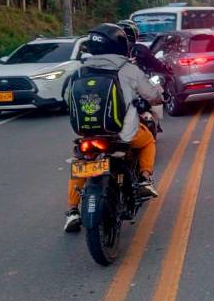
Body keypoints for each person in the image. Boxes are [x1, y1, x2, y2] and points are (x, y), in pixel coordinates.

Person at [65, 23, 163, 233]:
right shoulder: (127, 69)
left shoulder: (79, 71)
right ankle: (145, 179)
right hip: (122, 133)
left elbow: (67, 99)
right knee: (148, 142)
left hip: (87, 133)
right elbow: (152, 95)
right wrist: (157, 98)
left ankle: (72, 211)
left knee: (82, 163)